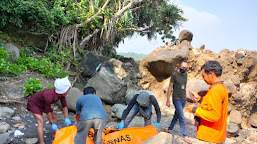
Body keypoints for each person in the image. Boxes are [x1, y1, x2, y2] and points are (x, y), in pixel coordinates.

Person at [187, 60, 228, 144]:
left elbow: (214, 115)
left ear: (211, 74)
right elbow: (213, 104)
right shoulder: (221, 87)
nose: (203, 78)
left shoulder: (215, 90)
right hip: (217, 136)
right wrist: (200, 99)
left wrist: (194, 109)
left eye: (204, 76)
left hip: (210, 138)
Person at [27, 77, 72, 144]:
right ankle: (42, 142)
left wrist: (66, 118)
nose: (69, 91)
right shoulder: (49, 96)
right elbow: (48, 112)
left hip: (43, 104)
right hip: (34, 104)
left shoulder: (61, 95)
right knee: (41, 121)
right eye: (68, 89)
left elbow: (64, 106)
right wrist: (52, 124)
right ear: (64, 90)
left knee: (54, 114)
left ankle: (55, 133)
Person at [165, 59, 191, 143]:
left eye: (186, 68)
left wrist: (187, 97)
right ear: (179, 66)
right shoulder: (174, 75)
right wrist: (168, 100)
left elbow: (184, 87)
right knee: (181, 117)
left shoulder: (186, 75)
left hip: (183, 99)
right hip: (176, 99)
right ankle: (185, 135)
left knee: (176, 115)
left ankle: (170, 129)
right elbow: (169, 88)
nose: (184, 69)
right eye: (183, 67)